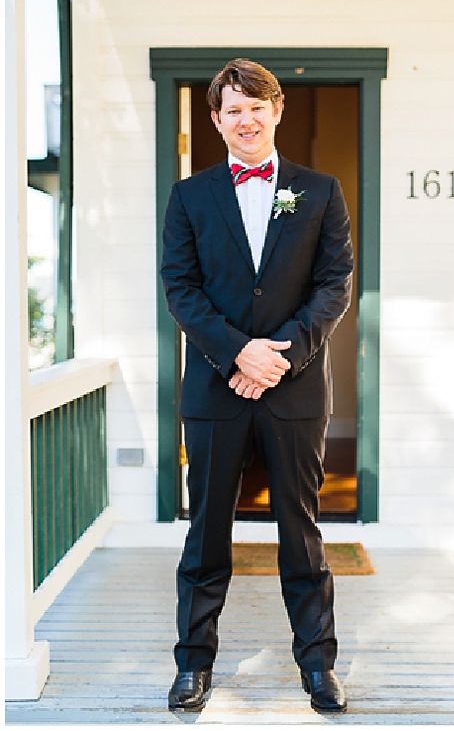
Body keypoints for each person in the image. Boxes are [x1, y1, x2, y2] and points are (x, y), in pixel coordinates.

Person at [161, 58, 354, 713]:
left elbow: (334, 285)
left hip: (295, 390)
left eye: (256, 106)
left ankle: (319, 667)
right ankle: (194, 665)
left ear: (277, 111)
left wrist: (282, 356)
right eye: (232, 110)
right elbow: (181, 291)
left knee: (300, 533)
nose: (245, 119)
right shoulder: (189, 197)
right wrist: (237, 354)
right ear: (216, 121)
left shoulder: (319, 191)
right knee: (206, 532)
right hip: (215, 389)